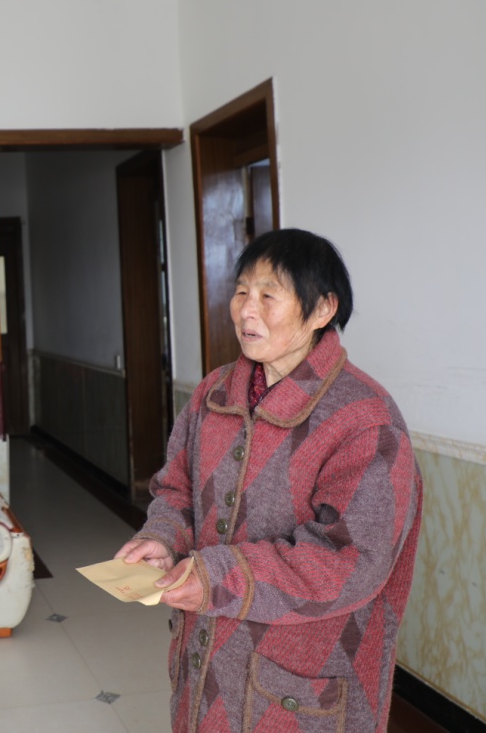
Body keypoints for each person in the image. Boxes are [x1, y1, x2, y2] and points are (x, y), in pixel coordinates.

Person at [116, 228, 422, 733]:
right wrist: (163, 537)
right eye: (241, 292)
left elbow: (350, 560)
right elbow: (176, 489)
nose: (246, 311)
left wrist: (219, 577)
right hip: (208, 661)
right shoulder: (214, 394)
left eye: (267, 296)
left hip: (302, 685)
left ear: (323, 309)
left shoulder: (365, 420)